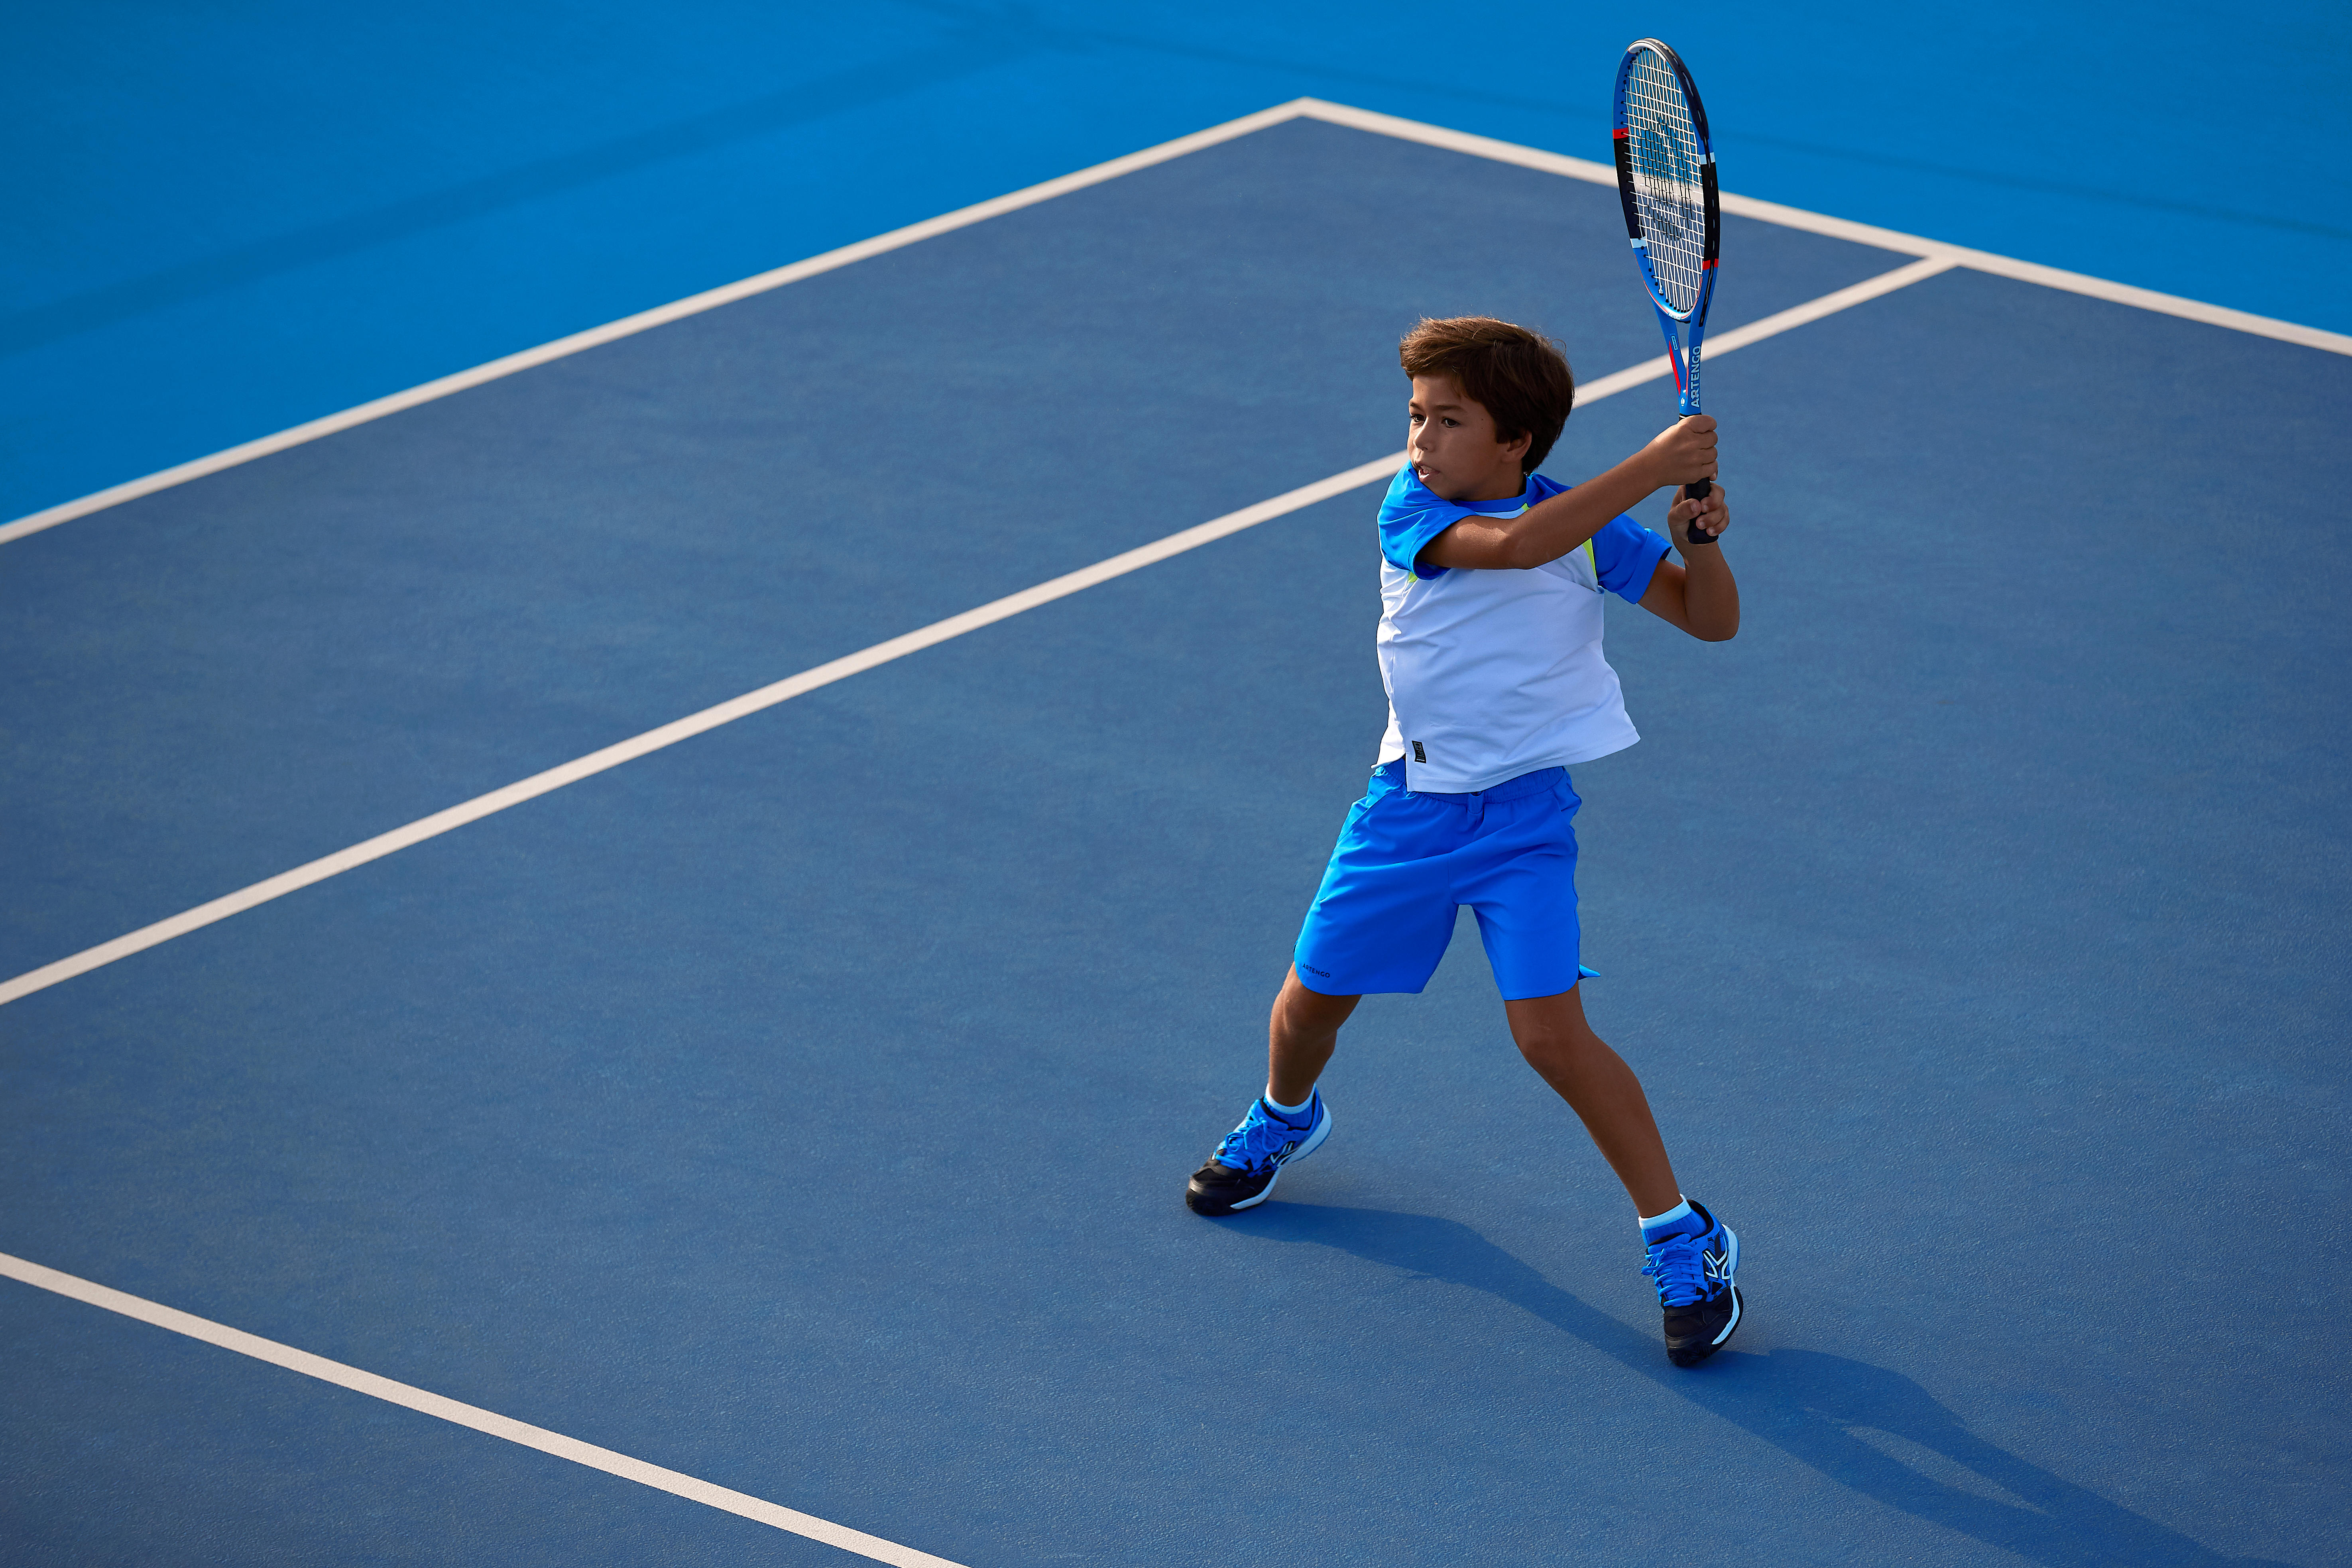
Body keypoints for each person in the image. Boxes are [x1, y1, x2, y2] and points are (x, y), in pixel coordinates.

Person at [1182, 316, 1745, 1367]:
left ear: (1516, 443)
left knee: (1550, 1040)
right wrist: (1652, 466)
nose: (1420, 440)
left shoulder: (1589, 529)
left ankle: (1680, 1234)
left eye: (1449, 421)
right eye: (1416, 416)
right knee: (1310, 1006)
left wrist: (1698, 542)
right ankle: (1285, 1115)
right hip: (1407, 813)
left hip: (1524, 825)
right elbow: (1517, 546)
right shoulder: (1415, 512)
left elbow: (1709, 622)